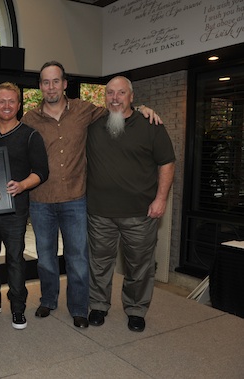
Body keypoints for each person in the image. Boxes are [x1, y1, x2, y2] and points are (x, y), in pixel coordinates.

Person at [14, 61, 161, 329]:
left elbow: (118, 107)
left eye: (55, 81)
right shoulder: (29, 119)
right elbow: (10, 137)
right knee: (45, 258)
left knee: (79, 258)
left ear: (65, 83)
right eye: (45, 82)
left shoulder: (85, 110)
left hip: (75, 199)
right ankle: (48, 300)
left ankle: (79, 308)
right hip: (41, 201)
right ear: (40, 87)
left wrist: (141, 109)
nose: (51, 87)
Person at [86, 76, 175, 332]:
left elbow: (167, 163)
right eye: (110, 93)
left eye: (121, 93)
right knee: (99, 264)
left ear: (132, 97)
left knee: (140, 265)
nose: (115, 98)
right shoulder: (93, 125)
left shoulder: (150, 125)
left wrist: (161, 199)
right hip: (100, 212)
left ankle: (136, 309)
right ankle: (99, 306)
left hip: (140, 213)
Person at [0, 82, 49, 330]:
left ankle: (18, 308)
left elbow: (42, 172)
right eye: (1, 101)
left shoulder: (31, 135)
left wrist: (23, 185)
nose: (6, 105)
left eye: (11, 101)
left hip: (15, 210)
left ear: (18, 105)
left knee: (15, 259)